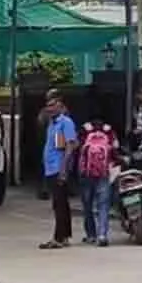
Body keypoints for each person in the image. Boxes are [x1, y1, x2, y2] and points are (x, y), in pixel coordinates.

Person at [39, 94, 78, 249]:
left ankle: (59, 237)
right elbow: (40, 120)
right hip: (50, 168)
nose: (49, 108)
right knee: (59, 203)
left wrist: (63, 169)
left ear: (60, 106)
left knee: (59, 204)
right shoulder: (52, 123)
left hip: (58, 167)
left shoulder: (65, 123)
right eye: (48, 106)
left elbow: (70, 145)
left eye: (52, 105)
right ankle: (64, 236)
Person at [76, 119, 117, 247]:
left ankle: (91, 235)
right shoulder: (109, 131)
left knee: (87, 205)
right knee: (103, 205)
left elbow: (77, 148)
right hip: (104, 172)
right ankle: (102, 235)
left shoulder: (84, 130)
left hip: (86, 174)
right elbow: (115, 148)